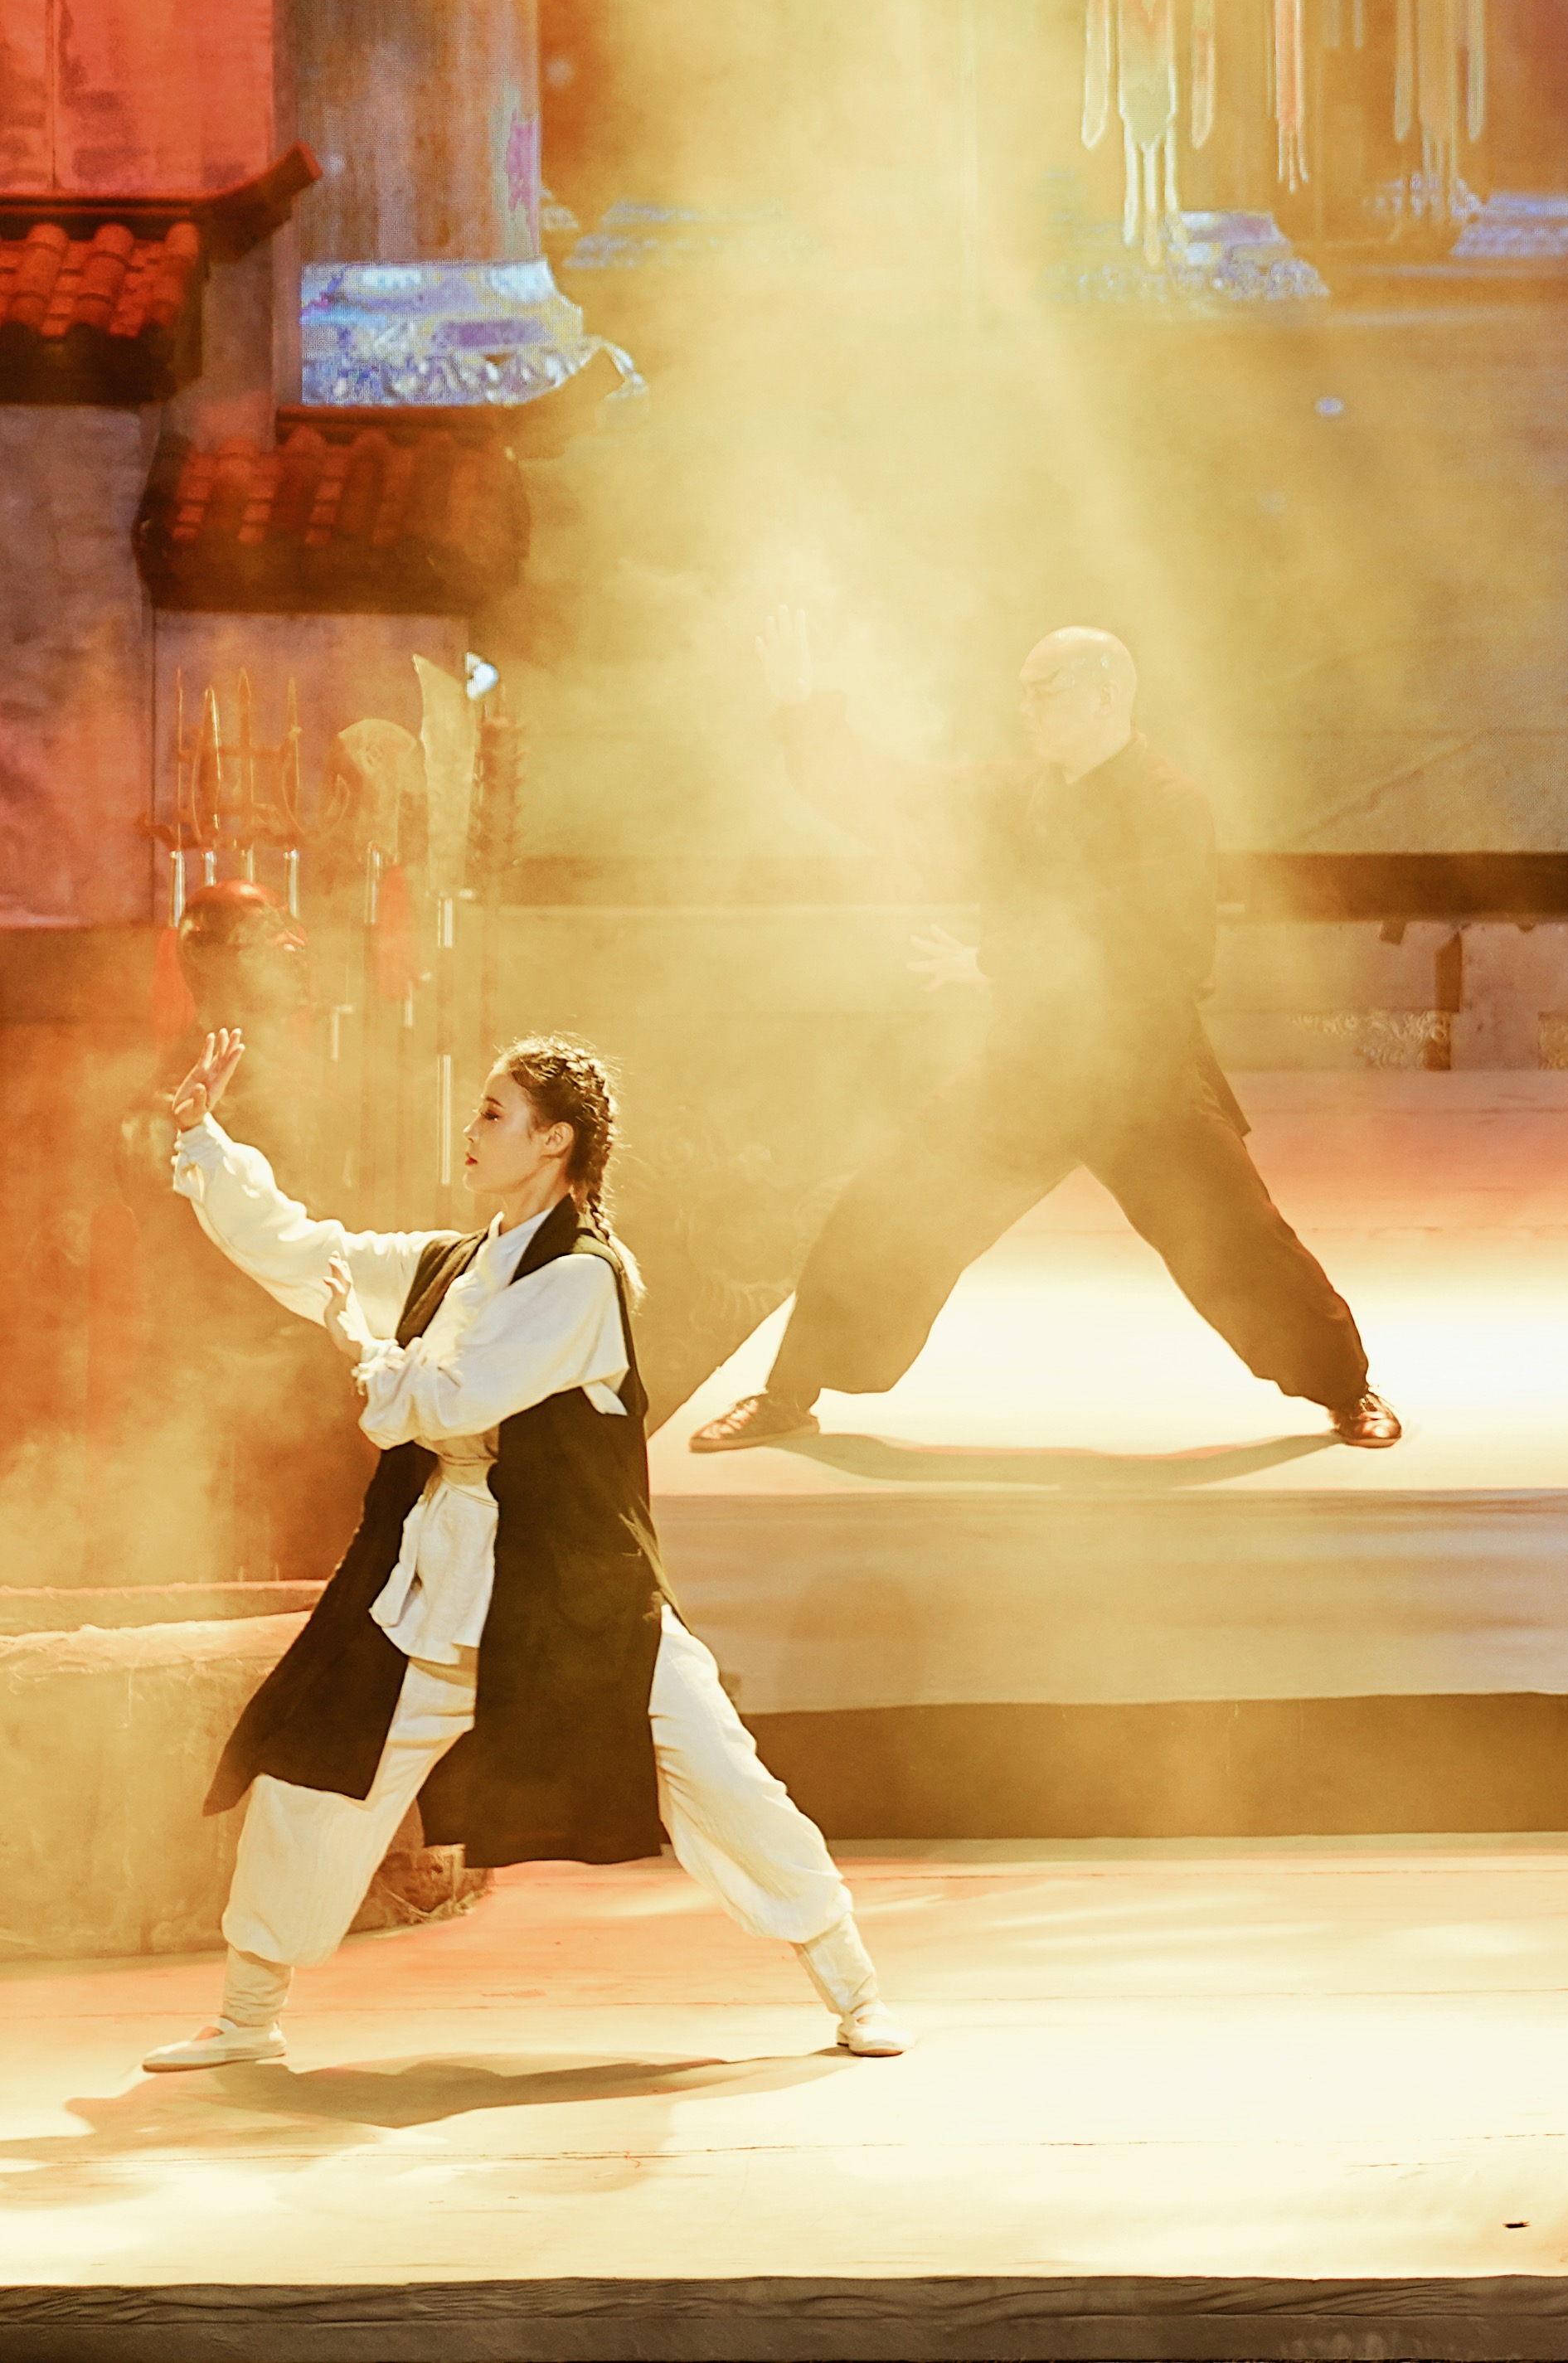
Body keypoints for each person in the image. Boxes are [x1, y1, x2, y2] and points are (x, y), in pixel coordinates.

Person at [135, 1031, 907, 2072]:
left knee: (723, 1776)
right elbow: (308, 1252)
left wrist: (363, 1350)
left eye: (495, 1113)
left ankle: (857, 1991)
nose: (472, 1127)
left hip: (573, 1591)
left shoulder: (580, 1278)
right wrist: (207, 1141)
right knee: (312, 1777)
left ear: (554, 1140)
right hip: (437, 1584)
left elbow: (455, 1399)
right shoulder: (455, 1266)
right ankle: (245, 2020)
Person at [687, 614, 1397, 1453]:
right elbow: (891, 795)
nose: (1025, 707)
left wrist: (998, 961)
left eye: (1044, 691)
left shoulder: (1170, 804)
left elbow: (1168, 950)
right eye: (1023, 691)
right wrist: (806, 709)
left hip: (1144, 1077)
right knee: (887, 1210)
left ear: (1106, 696)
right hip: (1030, 1067)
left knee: (1238, 1243)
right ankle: (787, 1394)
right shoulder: (1013, 795)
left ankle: (1346, 1389)